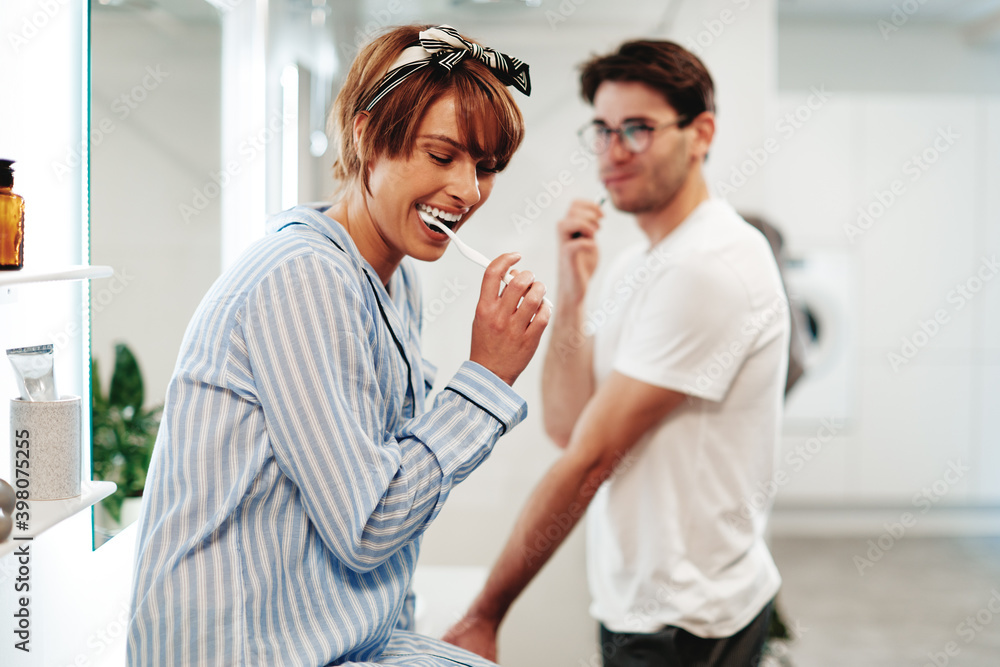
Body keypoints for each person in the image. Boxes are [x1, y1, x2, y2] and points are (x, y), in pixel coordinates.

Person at [127, 24, 548, 667]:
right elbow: (370, 525)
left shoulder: (392, 279)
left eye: (485, 167)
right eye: (442, 157)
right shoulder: (302, 276)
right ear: (364, 134)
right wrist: (486, 379)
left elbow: (385, 481)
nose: (469, 191)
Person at [444, 39, 790, 666]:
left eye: (637, 129)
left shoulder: (709, 266)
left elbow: (590, 458)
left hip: (688, 622)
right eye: (601, 130)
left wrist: (484, 614)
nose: (613, 151)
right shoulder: (642, 263)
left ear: (700, 132)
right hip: (643, 606)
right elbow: (567, 425)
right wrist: (572, 296)